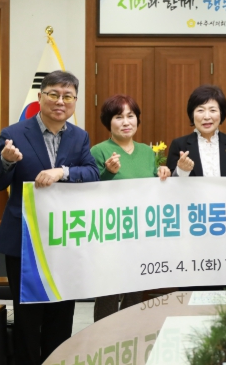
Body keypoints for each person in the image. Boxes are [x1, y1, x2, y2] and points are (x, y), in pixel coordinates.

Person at [0, 70, 99, 365]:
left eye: (68, 96)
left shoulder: (79, 136)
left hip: (64, 239)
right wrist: (6, 162)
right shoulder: (13, 134)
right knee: (27, 319)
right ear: (40, 97)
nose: (61, 101)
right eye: (54, 94)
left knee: (61, 315)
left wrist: (63, 172)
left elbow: (92, 173)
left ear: (75, 101)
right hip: (24, 242)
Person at [90, 94, 171, 321]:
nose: (126, 122)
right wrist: (108, 172)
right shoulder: (99, 151)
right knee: (107, 292)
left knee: (135, 291)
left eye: (131, 116)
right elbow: (89, 191)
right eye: (118, 117)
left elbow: (156, 189)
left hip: (140, 232)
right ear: (108, 122)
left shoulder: (147, 152)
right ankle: (104, 338)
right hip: (110, 233)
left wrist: (163, 173)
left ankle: (130, 335)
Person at [166, 85, 226, 177]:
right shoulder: (179, 145)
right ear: (192, 114)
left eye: (212, 110)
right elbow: (171, 182)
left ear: (221, 113)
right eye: (200, 110)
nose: (207, 117)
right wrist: (181, 171)